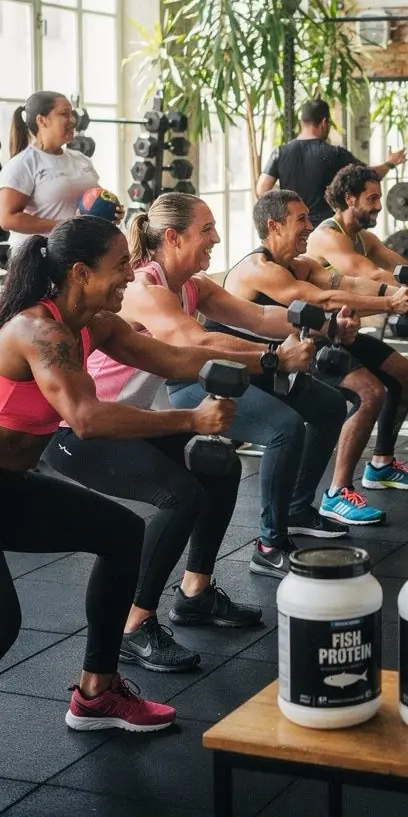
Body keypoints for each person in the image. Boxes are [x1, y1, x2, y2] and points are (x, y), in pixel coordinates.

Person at [0, 217, 250, 731]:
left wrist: (270, 362)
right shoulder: (37, 331)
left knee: (121, 532)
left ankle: (97, 691)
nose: (130, 276)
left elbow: (175, 359)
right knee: (4, 625)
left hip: (12, 485)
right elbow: (87, 420)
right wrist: (191, 420)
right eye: (119, 267)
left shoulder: (93, 323)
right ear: (80, 273)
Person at [112, 193, 349, 576]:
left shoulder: (193, 285)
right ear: (173, 238)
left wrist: (329, 325)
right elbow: (199, 343)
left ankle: (288, 517)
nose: (217, 238)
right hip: (97, 416)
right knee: (282, 430)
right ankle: (268, 546)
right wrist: (275, 356)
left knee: (322, 408)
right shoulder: (146, 290)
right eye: (206, 230)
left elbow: (257, 316)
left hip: (147, 404)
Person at [225, 190, 408, 520]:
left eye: (310, 217)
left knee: (402, 373)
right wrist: (390, 305)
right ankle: (336, 493)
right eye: (301, 219)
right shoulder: (259, 269)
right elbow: (322, 301)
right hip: (252, 364)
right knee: (368, 393)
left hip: (301, 343)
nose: (311, 225)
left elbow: (347, 284)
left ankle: (380, 465)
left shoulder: (300, 264)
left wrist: (403, 294)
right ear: (274, 226)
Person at [306, 165, 408, 306]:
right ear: (350, 199)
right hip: (314, 327)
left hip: (343, 323)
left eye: (379, 198)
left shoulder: (364, 238)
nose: (379, 206)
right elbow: (373, 275)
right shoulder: (328, 236)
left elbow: (403, 267)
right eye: (372, 199)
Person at [256, 98, 406, 226]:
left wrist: (288, 201)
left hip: (294, 226)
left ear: (302, 122)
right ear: (324, 122)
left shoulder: (280, 153)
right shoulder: (335, 154)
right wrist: (391, 162)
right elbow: (370, 175)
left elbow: (262, 189)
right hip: (325, 228)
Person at [0, 92, 99, 252]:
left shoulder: (81, 159)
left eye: (72, 114)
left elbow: (94, 199)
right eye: (64, 114)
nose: (73, 120)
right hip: (37, 257)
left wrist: (109, 210)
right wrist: (61, 226)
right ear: (42, 120)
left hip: (76, 252)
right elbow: (7, 218)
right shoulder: (23, 164)